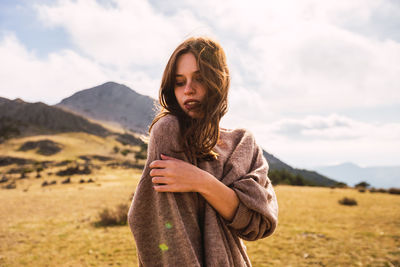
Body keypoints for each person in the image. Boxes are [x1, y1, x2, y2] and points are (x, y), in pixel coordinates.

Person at [128, 36, 278, 267]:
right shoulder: (169, 131)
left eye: (199, 78)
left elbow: (257, 223)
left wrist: (202, 182)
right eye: (179, 82)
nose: (188, 90)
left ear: (219, 81)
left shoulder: (243, 143)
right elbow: (169, 231)